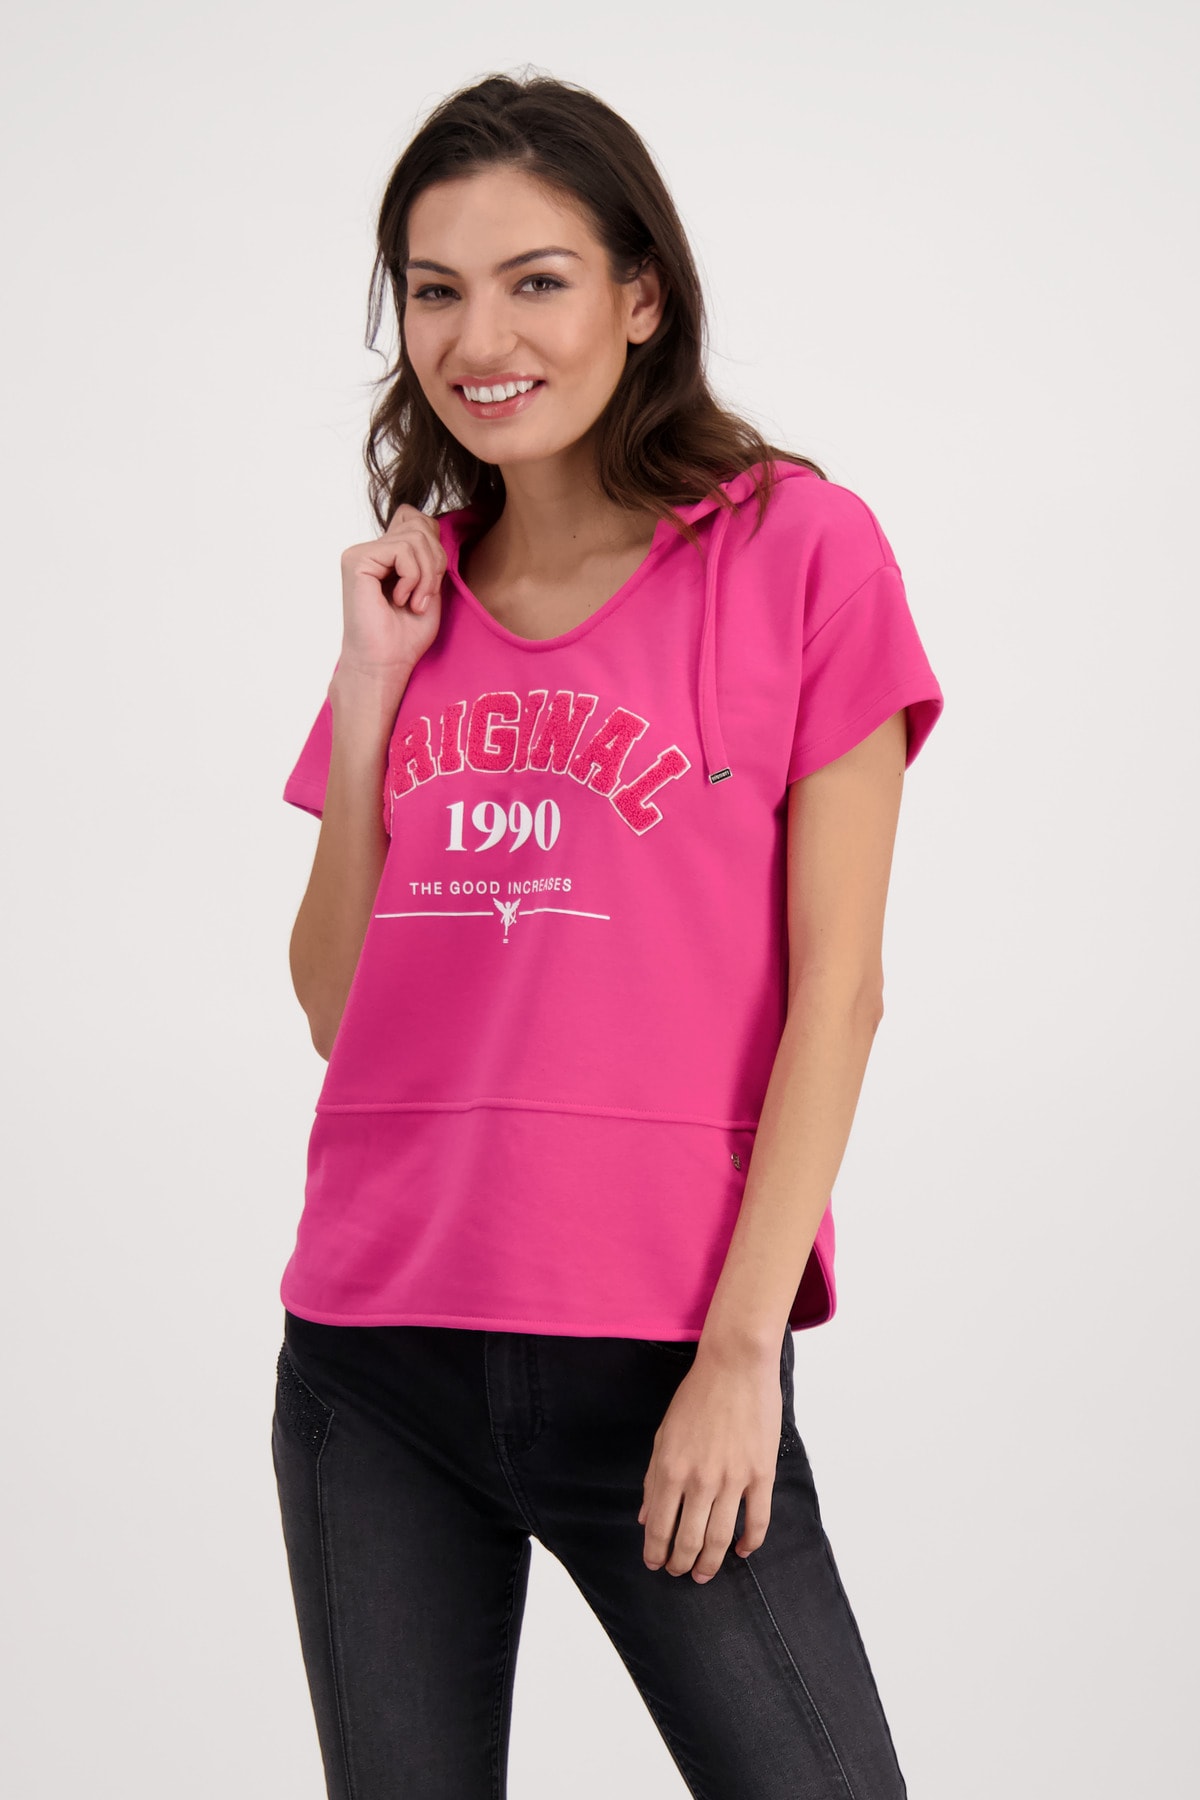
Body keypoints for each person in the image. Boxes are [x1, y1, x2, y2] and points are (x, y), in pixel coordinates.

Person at [271, 69, 945, 1800]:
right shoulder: (416, 599)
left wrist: (741, 1355)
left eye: (538, 280)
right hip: (375, 1363)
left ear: (641, 298)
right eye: (436, 289)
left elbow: (841, 994)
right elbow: (342, 1007)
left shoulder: (798, 551)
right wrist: (370, 692)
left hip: (662, 1352)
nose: (479, 337)